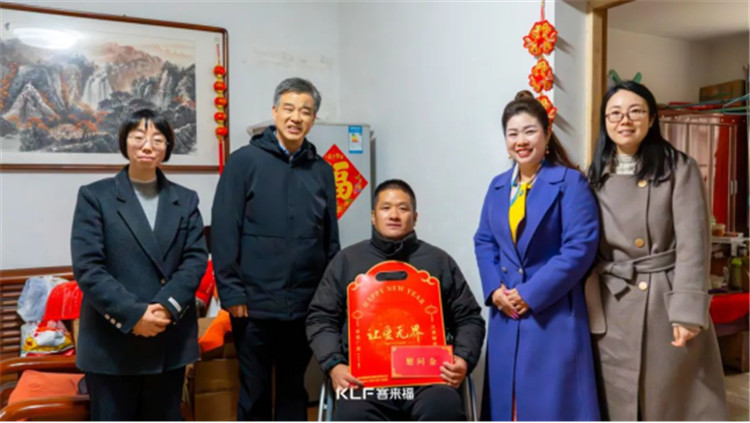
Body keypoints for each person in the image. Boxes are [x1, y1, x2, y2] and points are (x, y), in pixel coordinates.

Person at [586, 80, 728, 420]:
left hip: (663, 301)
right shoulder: (594, 175)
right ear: (605, 122)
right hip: (611, 299)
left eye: (635, 111)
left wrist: (688, 311)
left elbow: (694, 244)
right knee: (616, 401)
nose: (624, 120)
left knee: (669, 402)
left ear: (651, 119)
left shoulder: (678, 167)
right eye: (614, 113)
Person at [211, 77, 340, 421]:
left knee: (293, 389)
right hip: (252, 305)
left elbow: (330, 239)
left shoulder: (322, 170)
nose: (296, 117)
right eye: (289, 108)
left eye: (305, 111)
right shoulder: (243, 162)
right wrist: (231, 291)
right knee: (254, 391)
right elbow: (224, 231)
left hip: (305, 303)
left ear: (313, 119)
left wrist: (329, 298)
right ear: (274, 111)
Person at [307, 179, 485, 421]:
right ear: (373, 216)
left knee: (443, 408)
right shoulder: (347, 261)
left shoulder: (438, 261)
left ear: (415, 217)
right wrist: (335, 365)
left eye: (403, 208)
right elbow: (321, 318)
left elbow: (469, 318)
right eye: (385, 208)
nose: (394, 215)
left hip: (427, 380)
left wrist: (462, 358)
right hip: (364, 381)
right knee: (354, 413)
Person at [71, 109, 208, 420]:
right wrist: (134, 315)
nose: (148, 145)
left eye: (158, 139)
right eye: (139, 137)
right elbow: (88, 267)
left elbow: (195, 259)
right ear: (125, 142)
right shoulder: (95, 196)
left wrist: (167, 307)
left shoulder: (186, 200)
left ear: (167, 147)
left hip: (168, 337)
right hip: (112, 343)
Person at [474, 91, 600, 421]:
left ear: (546, 133)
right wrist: (494, 289)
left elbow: (580, 247)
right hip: (505, 313)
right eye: (512, 133)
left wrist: (530, 293)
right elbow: (484, 241)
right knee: (510, 406)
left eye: (530, 131)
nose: (521, 141)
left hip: (553, 314)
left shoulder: (570, 182)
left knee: (552, 406)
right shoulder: (498, 186)